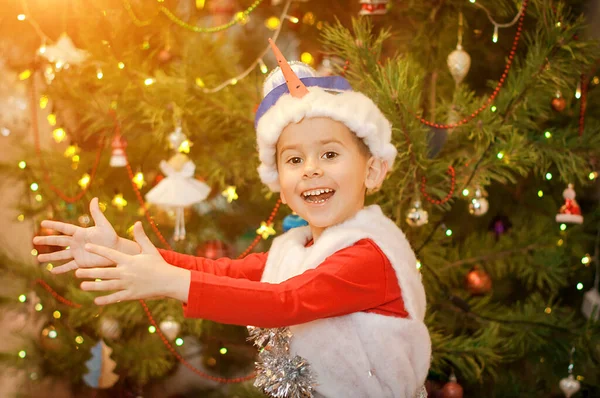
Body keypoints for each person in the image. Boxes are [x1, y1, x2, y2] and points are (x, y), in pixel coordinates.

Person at [33, 40, 430, 398]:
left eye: (329, 154)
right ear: (279, 179)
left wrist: (171, 283)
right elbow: (226, 274)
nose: (310, 169)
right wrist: (120, 251)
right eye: (294, 159)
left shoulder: (369, 257)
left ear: (374, 170)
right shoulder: (299, 249)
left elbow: (283, 302)